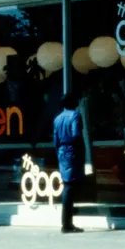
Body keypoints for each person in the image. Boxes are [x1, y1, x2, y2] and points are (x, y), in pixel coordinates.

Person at [53, 92, 85, 233]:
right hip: (72, 151)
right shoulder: (75, 115)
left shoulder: (57, 119)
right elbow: (76, 135)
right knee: (70, 186)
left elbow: (55, 140)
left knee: (69, 184)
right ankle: (67, 222)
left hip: (62, 151)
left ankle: (68, 218)